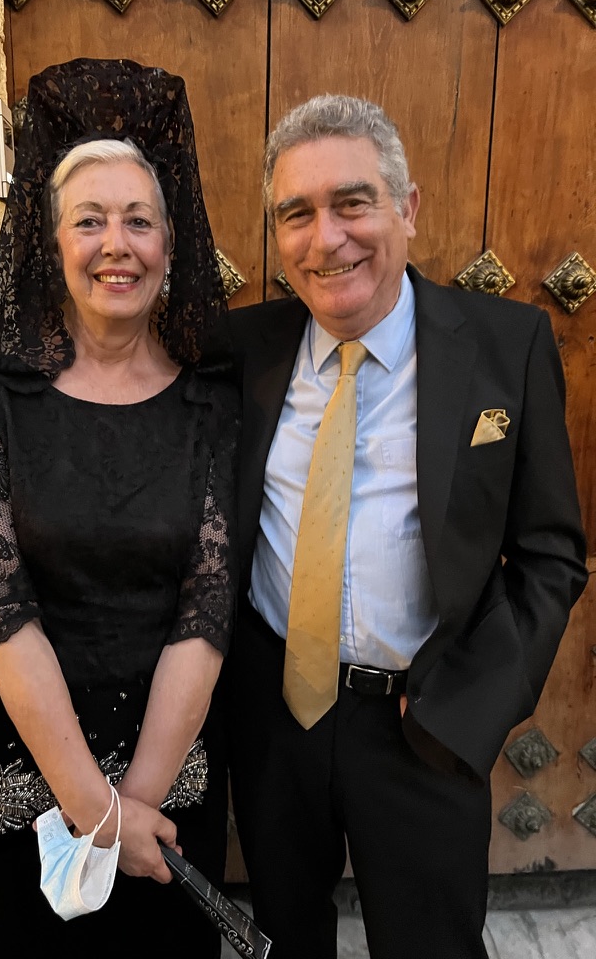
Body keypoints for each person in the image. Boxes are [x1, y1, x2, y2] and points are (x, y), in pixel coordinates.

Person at [224, 93, 588, 959]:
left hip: (423, 724)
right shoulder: (239, 351)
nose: (326, 239)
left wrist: (474, 705)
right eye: (296, 214)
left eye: (352, 202)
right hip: (276, 718)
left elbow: (551, 554)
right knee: (283, 939)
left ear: (408, 208)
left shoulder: (507, 346)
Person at [0, 58, 239, 959]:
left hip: (168, 793)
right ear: (49, 242)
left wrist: (137, 808)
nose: (116, 244)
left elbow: (207, 611)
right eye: (89, 220)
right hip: (27, 795)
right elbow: (2, 616)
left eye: (139, 220)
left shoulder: (213, 406)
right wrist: (100, 815)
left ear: (170, 243)